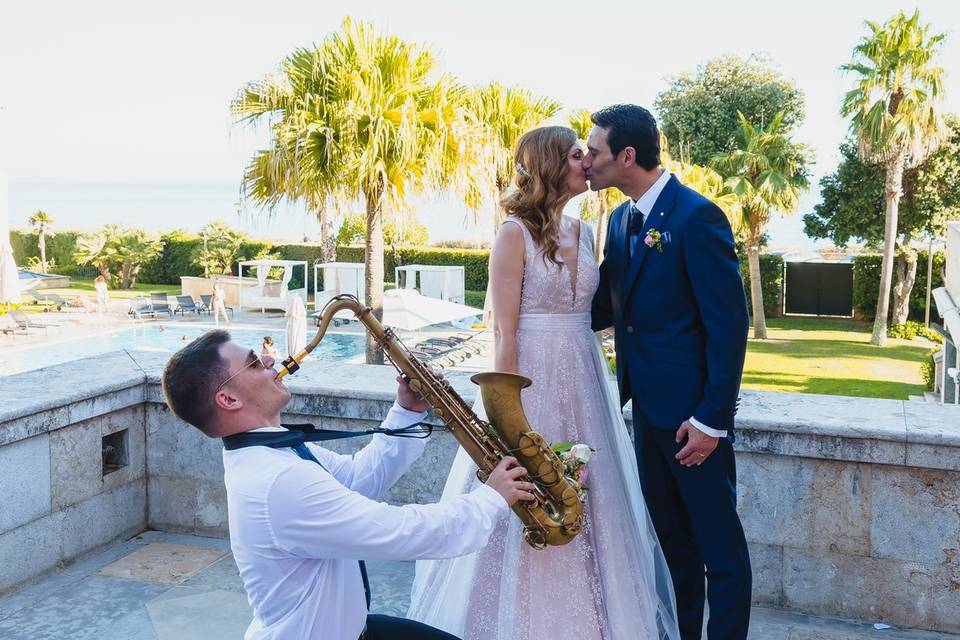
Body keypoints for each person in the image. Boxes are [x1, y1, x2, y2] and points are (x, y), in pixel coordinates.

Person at [408, 126, 680, 640]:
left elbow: (601, 311)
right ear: (553, 164)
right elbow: (503, 332)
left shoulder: (589, 232)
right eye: (578, 155)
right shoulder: (514, 234)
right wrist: (508, 416)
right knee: (530, 485)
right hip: (530, 380)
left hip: (584, 375)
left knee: (590, 491)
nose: (589, 162)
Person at [160, 330, 535, 640]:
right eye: (255, 363)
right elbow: (401, 532)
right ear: (228, 398)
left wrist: (408, 410)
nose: (272, 361)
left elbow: (359, 478)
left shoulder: (272, 454)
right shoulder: (277, 481)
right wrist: (491, 499)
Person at [585, 105, 751, 640]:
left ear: (627, 156)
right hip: (645, 411)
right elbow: (607, 308)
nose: (586, 161)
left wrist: (710, 420)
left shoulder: (696, 217)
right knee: (674, 545)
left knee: (719, 548)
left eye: (595, 152)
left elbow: (729, 326)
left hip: (691, 420)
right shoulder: (619, 220)